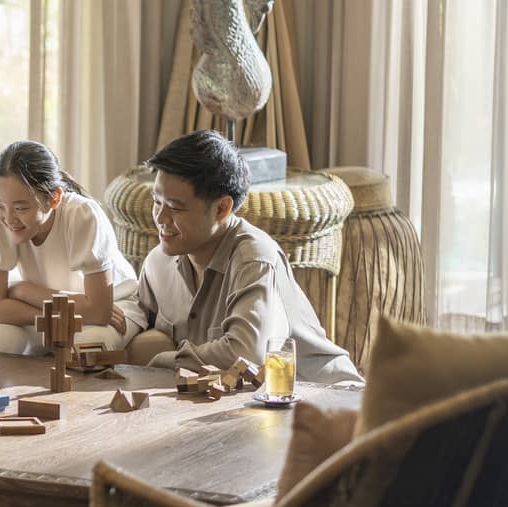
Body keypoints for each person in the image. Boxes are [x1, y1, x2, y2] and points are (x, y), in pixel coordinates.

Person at [138, 130, 361, 384]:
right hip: (242, 408)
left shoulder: (253, 260)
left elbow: (246, 355)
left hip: (322, 400)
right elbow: (134, 316)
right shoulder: (159, 263)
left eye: (175, 207)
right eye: (157, 201)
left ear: (221, 209)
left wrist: (165, 360)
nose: (160, 218)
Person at [0, 140, 146, 355]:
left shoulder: (82, 215)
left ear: (54, 198)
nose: (8, 218)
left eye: (21, 208)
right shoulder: (1, 217)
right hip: (47, 308)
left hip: (115, 307)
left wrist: (22, 290)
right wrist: (51, 314)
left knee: (82, 350)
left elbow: (99, 311)